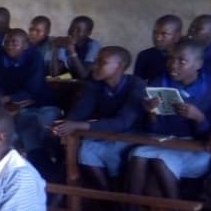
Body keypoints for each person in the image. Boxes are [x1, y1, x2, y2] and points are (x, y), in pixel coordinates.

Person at [127, 40, 211, 211]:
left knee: (160, 161)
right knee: (137, 155)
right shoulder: (160, 82)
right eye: (171, 59)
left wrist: (199, 118)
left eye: (182, 61)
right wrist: (151, 113)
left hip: (198, 149)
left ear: (199, 64)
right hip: (167, 143)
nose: (173, 65)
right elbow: (155, 131)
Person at [52, 46, 146, 193]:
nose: (95, 65)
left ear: (119, 66)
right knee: (84, 150)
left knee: (108, 152)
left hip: (132, 135)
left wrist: (77, 125)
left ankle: (115, 198)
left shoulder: (136, 84)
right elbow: (80, 112)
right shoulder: (95, 84)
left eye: (102, 62)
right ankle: (108, 198)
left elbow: (123, 122)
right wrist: (66, 125)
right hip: (105, 134)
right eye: (96, 60)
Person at [0, 28, 60, 170]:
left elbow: (34, 89)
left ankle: (48, 171)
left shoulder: (34, 57)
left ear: (26, 45)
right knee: (11, 134)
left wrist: (7, 98)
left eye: (14, 43)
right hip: (14, 107)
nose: (9, 45)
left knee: (37, 131)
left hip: (41, 105)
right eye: (6, 41)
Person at [135, 15, 184, 83]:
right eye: (155, 33)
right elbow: (138, 84)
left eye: (164, 34)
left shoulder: (184, 59)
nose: (158, 38)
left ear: (177, 36)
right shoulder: (145, 56)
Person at [51, 15, 101, 80]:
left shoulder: (94, 46)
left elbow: (84, 75)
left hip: (88, 84)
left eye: (79, 30)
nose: (73, 32)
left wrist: (71, 51)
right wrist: (55, 48)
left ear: (88, 33)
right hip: (70, 82)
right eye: (71, 28)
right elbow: (55, 74)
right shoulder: (65, 42)